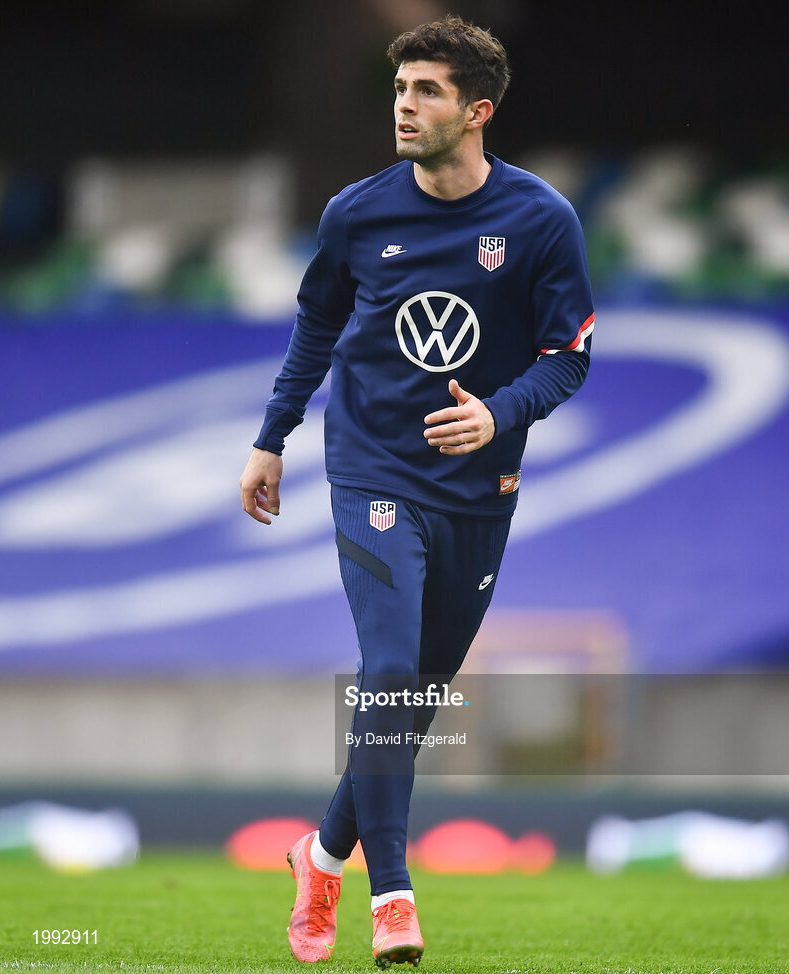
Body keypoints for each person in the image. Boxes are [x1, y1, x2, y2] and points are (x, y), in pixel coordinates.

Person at [240, 14, 594, 969]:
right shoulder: (357, 212)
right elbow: (315, 328)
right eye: (401, 89)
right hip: (372, 468)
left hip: (481, 487)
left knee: (415, 696)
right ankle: (392, 899)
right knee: (389, 672)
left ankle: (320, 855)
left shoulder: (541, 220)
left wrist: (501, 413)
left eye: (427, 90)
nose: (405, 105)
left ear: (477, 111)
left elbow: (570, 355)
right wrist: (273, 437)